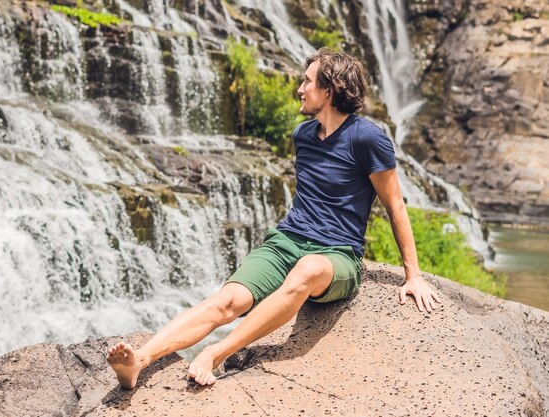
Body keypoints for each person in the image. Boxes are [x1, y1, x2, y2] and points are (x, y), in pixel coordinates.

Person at [106, 48, 441, 388]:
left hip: (336, 256)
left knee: (308, 269)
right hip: (285, 243)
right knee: (227, 301)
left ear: (329, 90)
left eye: (307, 81)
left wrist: (412, 275)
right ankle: (141, 360)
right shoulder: (303, 136)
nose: (299, 88)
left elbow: (395, 203)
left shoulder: (367, 138)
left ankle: (217, 353)